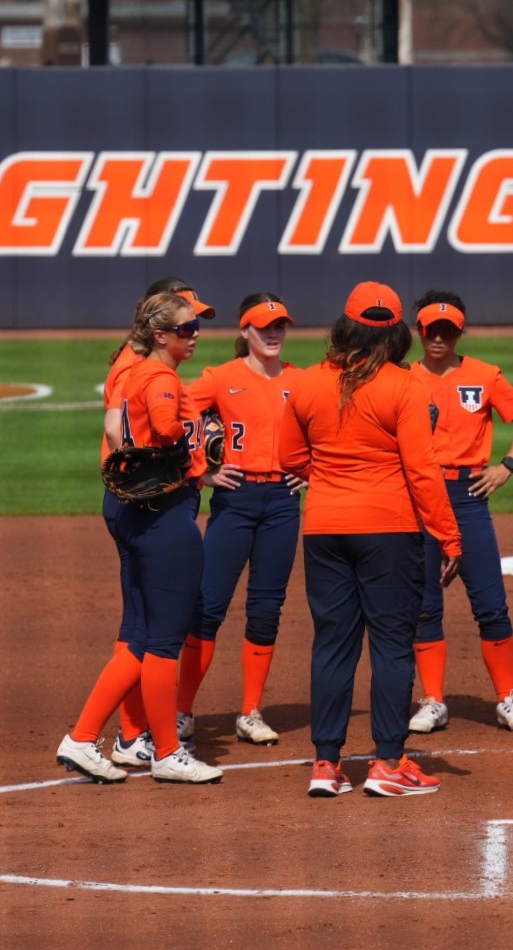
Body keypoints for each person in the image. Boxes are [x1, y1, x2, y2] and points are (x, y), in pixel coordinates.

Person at [279, 281, 461, 799]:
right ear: (398, 333)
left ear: (345, 325)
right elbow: (422, 471)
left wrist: (333, 478)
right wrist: (448, 536)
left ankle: (325, 763)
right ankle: (387, 762)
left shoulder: (308, 384)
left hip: (324, 528)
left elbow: (292, 459)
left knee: (333, 643)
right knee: (391, 645)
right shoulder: (404, 386)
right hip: (389, 530)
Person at [55, 291, 224, 784]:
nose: (195, 335)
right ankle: (167, 752)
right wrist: (196, 440)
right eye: (186, 328)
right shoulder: (160, 376)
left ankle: (84, 738)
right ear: (160, 335)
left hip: (137, 515)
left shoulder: (131, 371)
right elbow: (169, 426)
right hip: (165, 518)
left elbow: (114, 426)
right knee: (164, 642)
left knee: (138, 638)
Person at [405, 290, 513, 735]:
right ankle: (433, 700)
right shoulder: (403, 378)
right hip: (419, 495)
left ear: (459, 332)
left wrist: (507, 466)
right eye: (432, 330)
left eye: (448, 330)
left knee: (490, 602)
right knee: (425, 606)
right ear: (419, 331)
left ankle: (506, 698)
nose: (439, 338)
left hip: (467, 496)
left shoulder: (483, 375)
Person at [181, 294, 306, 748]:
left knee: (266, 609)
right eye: (264, 326)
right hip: (235, 499)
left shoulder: (300, 379)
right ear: (244, 332)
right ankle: (181, 711)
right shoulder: (221, 378)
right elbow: (174, 413)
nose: (273, 334)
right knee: (208, 606)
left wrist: (308, 470)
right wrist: (202, 471)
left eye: (280, 326)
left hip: (282, 505)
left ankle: (250, 712)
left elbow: (329, 428)